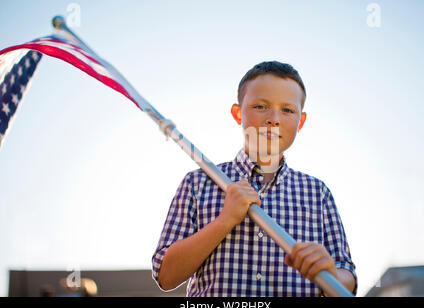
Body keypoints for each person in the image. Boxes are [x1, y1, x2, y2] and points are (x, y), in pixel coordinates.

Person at [151, 61, 357, 296]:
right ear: (238, 113)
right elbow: (166, 276)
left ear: (301, 122)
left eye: (287, 110)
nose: (273, 118)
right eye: (260, 106)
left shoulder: (317, 193)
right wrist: (224, 220)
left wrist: (330, 271)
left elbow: (347, 280)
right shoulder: (197, 184)